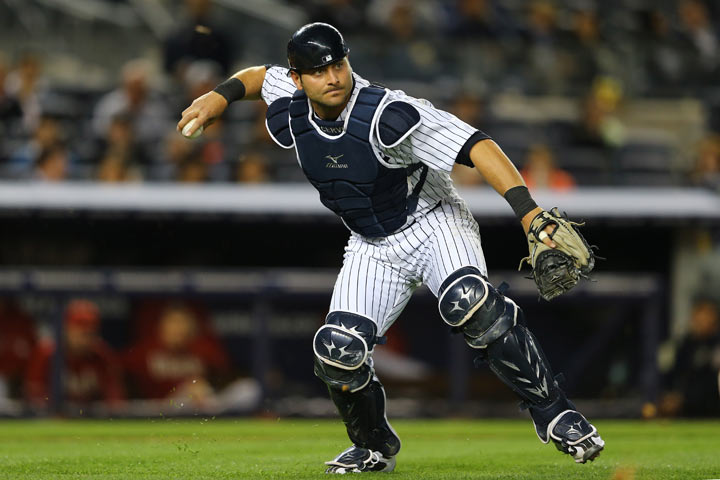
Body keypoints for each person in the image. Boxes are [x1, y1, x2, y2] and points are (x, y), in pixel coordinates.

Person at [178, 23, 604, 473]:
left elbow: (477, 145)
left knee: (470, 303)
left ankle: (557, 413)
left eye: (338, 64)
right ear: (299, 78)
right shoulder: (290, 95)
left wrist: (530, 214)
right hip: (372, 244)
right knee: (336, 349)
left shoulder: (388, 113)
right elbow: (260, 77)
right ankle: (373, 446)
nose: (334, 77)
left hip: (434, 221)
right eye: (319, 71)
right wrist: (218, 96)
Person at [24, 299, 125, 410]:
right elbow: (35, 396)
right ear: (65, 329)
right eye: (80, 331)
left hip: (90, 419)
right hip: (54, 419)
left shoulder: (101, 355)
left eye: (90, 332)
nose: (85, 338)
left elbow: (115, 399)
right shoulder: (46, 353)